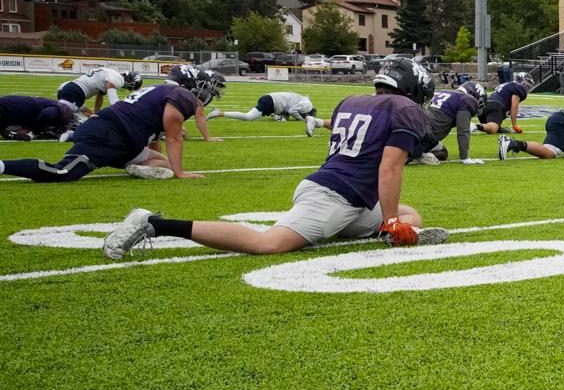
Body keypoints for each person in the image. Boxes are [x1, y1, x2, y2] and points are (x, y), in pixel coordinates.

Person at [103, 59, 446, 258]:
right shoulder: (405, 108)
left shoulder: (351, 100)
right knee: (267, 244)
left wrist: (392, 218)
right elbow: (389, 166)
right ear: (414, 90)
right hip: (334, 196)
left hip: (347, 196)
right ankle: (153, 223)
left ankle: (375, 227)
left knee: (411, 215)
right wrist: (388, 220)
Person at [2, 75, 214, 182]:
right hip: (107, 134)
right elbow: (174, 138)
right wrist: (180, 173)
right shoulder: (183, 96)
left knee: (162, 163)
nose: (207, 97)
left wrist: (166, 166)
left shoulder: (161, 92)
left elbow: (156, 135)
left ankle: (138, 169)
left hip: (124, 139)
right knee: (63, 172)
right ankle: (3, 166)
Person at [417, 83, 486, 163]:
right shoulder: (466, 99)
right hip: (426, 131)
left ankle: (417, 153)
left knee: (442, 153)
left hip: (414, 121)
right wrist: (465, 158)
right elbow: (463, 130)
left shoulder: (440, 91)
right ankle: (414, 153)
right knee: (405, 154)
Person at [213, 90, 323, 134]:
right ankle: (220, 113)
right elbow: (292, 110)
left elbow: (289, 110)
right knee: (248, 117)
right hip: (271, 101)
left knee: (284, 119)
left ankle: (275, 115)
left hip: (272, 100)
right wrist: (301, 119)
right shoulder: (306, 105)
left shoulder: (305, 102)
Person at [55, 65, 139, 113]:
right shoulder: (118, 78)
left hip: (69, 88)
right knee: (63, 118)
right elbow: (113, 101)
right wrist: (120, 112)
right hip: (76, 92)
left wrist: (96, 113)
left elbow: (100, 96)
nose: (127, 87)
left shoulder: (109, 73)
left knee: (87, 115)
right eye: (130, 86)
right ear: (129, 78)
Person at [0, 95, 78, 141]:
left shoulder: (60, 109)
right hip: (11, 111)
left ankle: (9, 133)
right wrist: (35, 132)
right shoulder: (59, 110)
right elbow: (46, 114)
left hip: (13, 113)